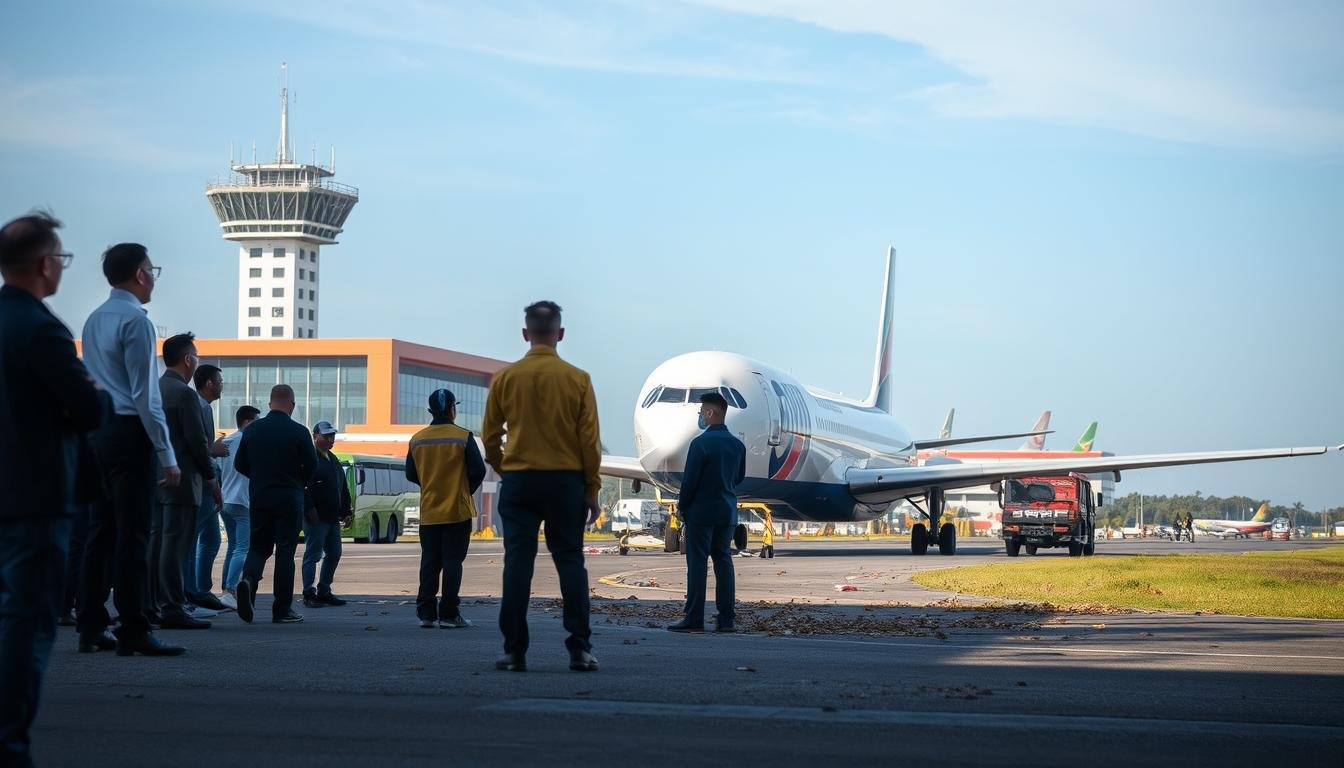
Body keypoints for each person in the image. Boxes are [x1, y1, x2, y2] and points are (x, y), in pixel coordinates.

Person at [0, 212, 103, 765]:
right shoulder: (43, 330)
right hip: (34, 494)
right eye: (60, 259)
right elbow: (90, 407)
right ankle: (10, 742)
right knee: (26, 620)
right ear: (45, 264)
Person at [78, 242, 184, 657]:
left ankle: (90, 625)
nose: (153, 277)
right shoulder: (136, 322)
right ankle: (134, 628)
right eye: (151, 269)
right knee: (133, 535)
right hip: (129, 432)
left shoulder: (93, 319)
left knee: (99, 533)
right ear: (140, 274)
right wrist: (167, 455)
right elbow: (145, 396)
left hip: (98, 432)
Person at [483, 300, 600, 673]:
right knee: (570, 563)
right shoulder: (577, 379)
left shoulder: (506, 378)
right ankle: (579, 648)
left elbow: (490, 436)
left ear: (525, 333)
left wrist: (506, 468)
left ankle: (514, 650)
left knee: (517, 563)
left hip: (520, 481)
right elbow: (589, 441)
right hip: (564, 481)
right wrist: (591, 488)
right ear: (561, 335)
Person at [233, 384, 317, 625]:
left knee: (258, 547)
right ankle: (281, 609)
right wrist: (295, 480)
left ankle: (248, 582)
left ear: (270, 404)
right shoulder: (299, 432)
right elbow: (312, 467)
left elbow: (240, 464)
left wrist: (260, 477)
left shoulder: (252, 430)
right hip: (290, 497)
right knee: (285, 551)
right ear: (292, 404)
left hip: (260, 496)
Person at [406, 389, 486, 629]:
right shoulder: (462, 437)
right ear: (452, 409)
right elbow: (478, 471)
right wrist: (463, 490)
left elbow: (411, 473)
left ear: (431, 411)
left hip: (429, 511)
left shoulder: (418, 439)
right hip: (457, 512)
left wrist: (431, 485)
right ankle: (449, 614)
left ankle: (426, 614)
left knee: (429, 562)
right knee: (453, 562)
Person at [152, 333, 216, 630]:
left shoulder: (153, 389)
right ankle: (174, 607)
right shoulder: (185, 394)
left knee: (157, 542)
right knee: (176, 546)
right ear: (188, 359)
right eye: (196, 357)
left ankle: (152, 603)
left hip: (155, 478)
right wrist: (210, 474)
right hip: (182, 479)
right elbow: (197, 442)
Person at [668, 391, 746, 634]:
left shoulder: (700, 444)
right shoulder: (737, 445)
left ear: (711, 413)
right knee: (724, 562)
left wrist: (682, 507)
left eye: (702, 411)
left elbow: (690, 482)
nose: (700, 416)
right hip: (726, 513)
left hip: (701, 513)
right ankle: (726, 620)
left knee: (698, 565)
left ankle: (694, 618)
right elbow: (739, 478)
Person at [184, 364, 229, 611]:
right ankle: (189, 595)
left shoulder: (204, 407)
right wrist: (214, 450)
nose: (222, 386)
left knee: (210, 539)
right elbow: (196, 446)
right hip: (202, 483)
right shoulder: (199, 407)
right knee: (190, 542)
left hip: (206, 483)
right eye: (220, 381)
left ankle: (199, 591)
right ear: (210, 383)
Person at [301, 421, 350, 609]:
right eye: (327, 436)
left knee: (334, 553)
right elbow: (303, 486)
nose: (331, 439)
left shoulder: (333, 459)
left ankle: (324, 589)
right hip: (316, 518)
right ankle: (308, 592)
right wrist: (309, 508)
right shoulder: (309, 459)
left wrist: (345, 509)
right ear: (315, 437)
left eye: (332, 436)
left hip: (332, 518)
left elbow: (342, 486)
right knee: (313, 555)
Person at [216, 406, 259, 611]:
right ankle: (230, 590)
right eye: (256, 422)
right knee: (243, 548)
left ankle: (226, 589)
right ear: (247, 422)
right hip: (243, 501)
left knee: (233, 548)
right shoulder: (248, 441)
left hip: (225, 501)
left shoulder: (226, 442)